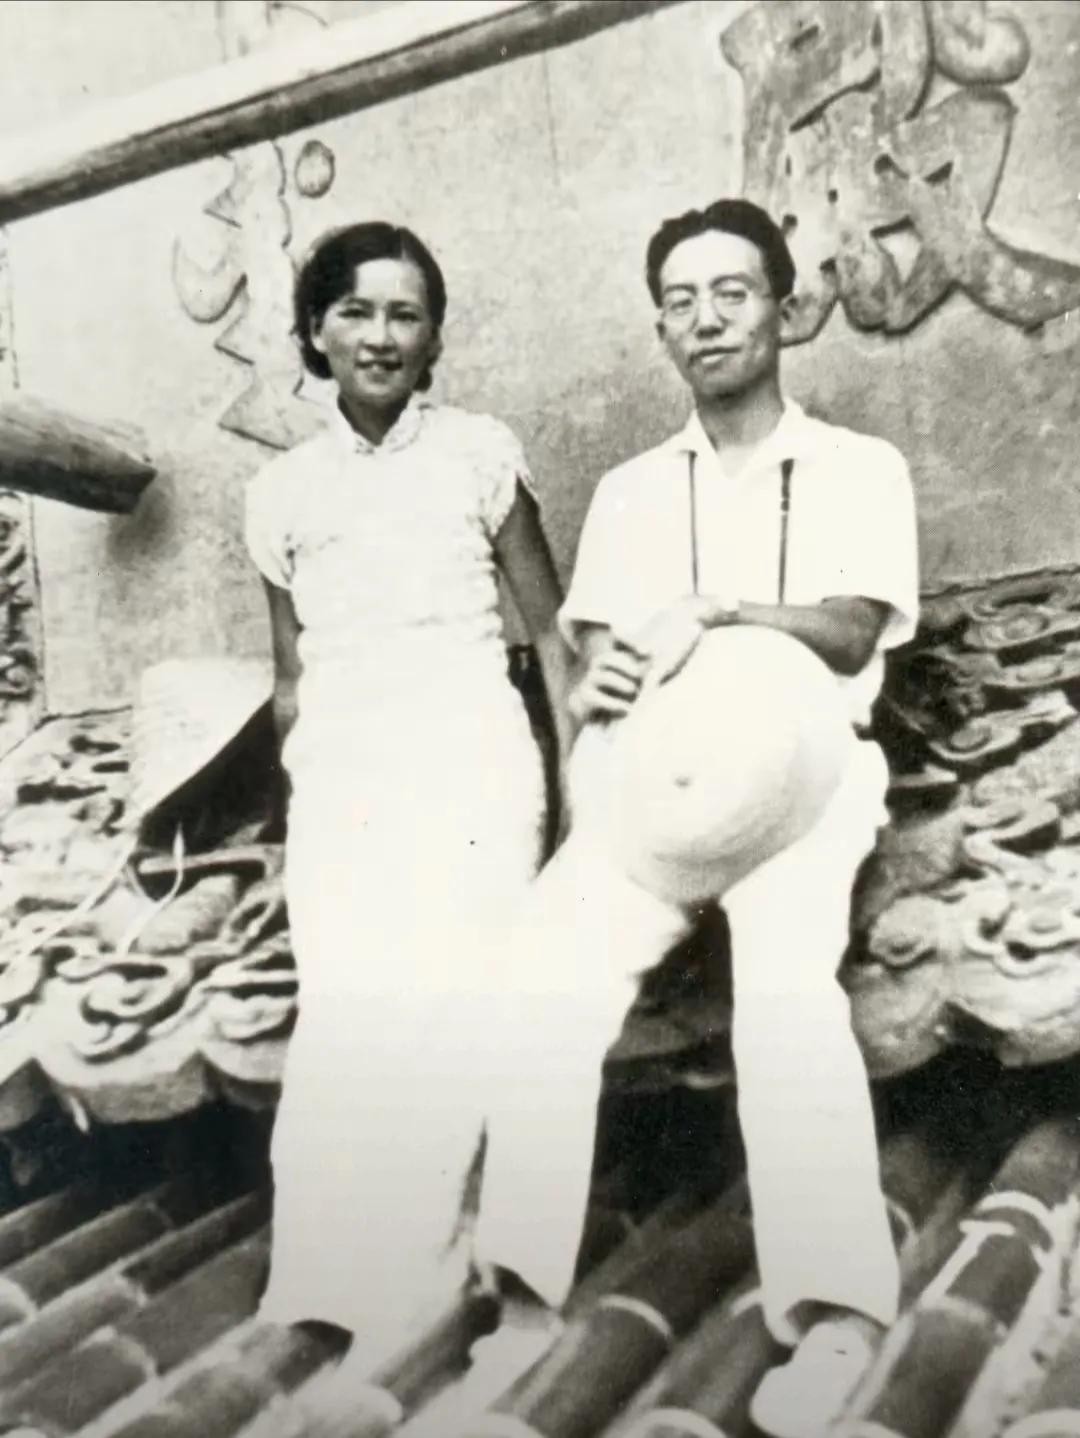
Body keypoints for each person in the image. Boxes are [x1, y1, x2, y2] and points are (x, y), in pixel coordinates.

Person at [473, 198, 919, 1438]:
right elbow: (590, 668)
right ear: (661, 328)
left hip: (802, 786)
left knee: (788, 1001)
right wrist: (599, 682)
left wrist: (716, 611)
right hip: (654, 793)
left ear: (785, 307)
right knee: (542, 969)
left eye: (732, 292)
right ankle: (521, 1306)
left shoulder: (858, 467)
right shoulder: (628, 494)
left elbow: (852, 631)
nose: (706, 319)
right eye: (680, 300)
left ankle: (835, 1317)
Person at [242, 221, 572, 1403]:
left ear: (434, 337)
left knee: (457, 1016)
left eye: (406, 314)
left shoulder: (479, 454)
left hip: (473, 765)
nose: (381, 336)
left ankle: (429, 1305)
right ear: (315, 330)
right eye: (357, 311)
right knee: (349, 1020)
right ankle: (326, 1296)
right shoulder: (279, 490)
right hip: (345, 781)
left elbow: (551, 636)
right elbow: (291, 675)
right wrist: (301, 804)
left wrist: (579, 791)